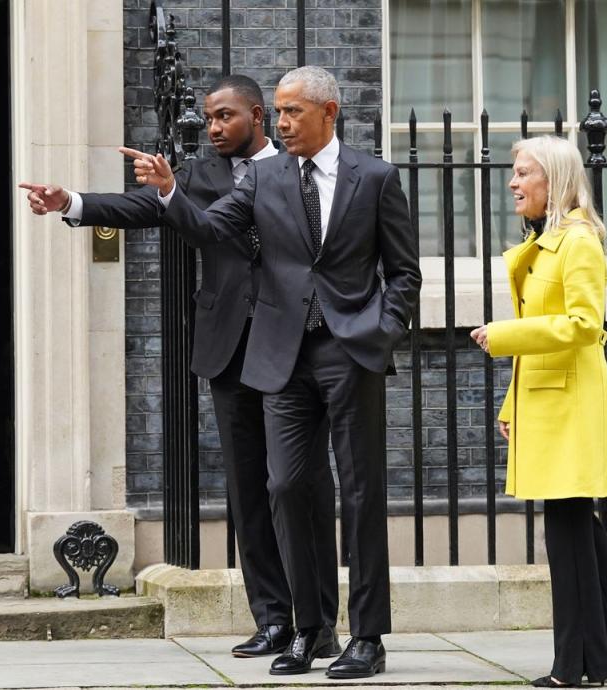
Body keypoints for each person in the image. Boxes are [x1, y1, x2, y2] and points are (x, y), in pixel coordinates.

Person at [19, 75, 340, 660]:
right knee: (247, 491)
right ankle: (272, 619)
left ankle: (318, 623)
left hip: (292, 347)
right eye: (208, 118)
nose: (213, 128)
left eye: (224, 117)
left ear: (259, 116)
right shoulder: (196, 176)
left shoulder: (298, 167)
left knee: (298, 485)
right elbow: (144, 206)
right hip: (228, 349)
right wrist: (72, 203)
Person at [125, 65, 421, 679]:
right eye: (278, 112)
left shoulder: (376, 176)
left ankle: (368, 636)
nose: (281, 123)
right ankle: (310, 628)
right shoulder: (263, 176)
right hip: (281, 354)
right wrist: (169, 192)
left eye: (292, 112)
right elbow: (209, 229)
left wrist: (382, 329)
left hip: (351, 350)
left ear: (329, 112)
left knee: (362, 493)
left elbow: (403, 272)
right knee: (285, 485)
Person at [470, 135, 607, 688]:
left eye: (524, 173)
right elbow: (546, 340)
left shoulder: (578, 242)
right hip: (547, 399)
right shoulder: (548, 241)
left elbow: (583, 325)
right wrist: (510, 402)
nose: (513, 182)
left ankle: (579, 665)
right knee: (579, 530)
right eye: (514, 172)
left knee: (568, 533)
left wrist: (502, 334)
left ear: (553, 180)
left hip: (571, 404)